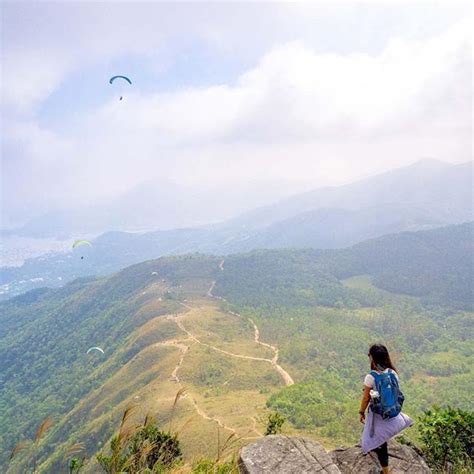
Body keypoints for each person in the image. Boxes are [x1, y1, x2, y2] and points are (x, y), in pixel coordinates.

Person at [359, 344, 413, 473]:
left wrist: (361, 412)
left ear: (372, 358)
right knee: (381, 439)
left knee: (376, 442)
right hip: (392, 411)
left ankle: (386, 471)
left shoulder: (371, 376)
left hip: (378, 414)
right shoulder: (392, 373)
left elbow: (366, 398)